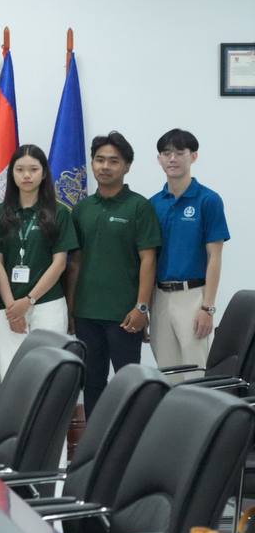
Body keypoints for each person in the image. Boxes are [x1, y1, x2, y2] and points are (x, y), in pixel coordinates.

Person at [68, 131, 162, 414]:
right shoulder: (82, 208)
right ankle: (94, 449)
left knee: (128, 382)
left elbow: (149, 260)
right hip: (87, 313)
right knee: (93, 382)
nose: (105, 166)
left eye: (114, 161)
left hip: (125, 315)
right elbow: (75, 263)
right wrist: (72, 308)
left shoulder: (139, 206)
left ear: (127, 166)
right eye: (99, 160)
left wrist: (142, 307)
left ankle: (127, 446)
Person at [0, 145, 78, 377]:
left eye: (33, 169)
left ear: (44, 173)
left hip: (47, 304)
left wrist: (29, 300)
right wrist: (12, 307)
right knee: (11, 376)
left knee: (47, 376)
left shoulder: (59, 212)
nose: (26, 175)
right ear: (12, 174)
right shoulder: (0, 213)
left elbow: (59, 263)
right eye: (20, 169)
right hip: (9, 308)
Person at [148, 128, 229, 373]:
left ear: (193, 156)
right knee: (167, 372)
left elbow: (214, 257)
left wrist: (208, 308)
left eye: (179, 152)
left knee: (195, 373)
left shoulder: (208, 200)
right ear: (159, 159)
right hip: (160, 298)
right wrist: (144, 306)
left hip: (193, 296)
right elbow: (149, 259)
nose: (172, 158)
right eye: (166, 153)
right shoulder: (153, 203)